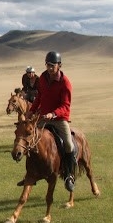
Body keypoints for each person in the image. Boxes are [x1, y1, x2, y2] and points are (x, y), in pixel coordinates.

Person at [24, 51, 76, 191]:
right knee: (31, 140)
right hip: (43, 117)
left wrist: (53, 114)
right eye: (47, 65)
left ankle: (69, 176)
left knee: (69, 145)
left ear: (59, 65)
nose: (49, 68)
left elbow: (65, 106)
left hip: (59, 119)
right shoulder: (43, 78)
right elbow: (40, 96)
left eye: (52, 65)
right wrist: (32, 110)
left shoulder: (65, 83)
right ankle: (30, 173)